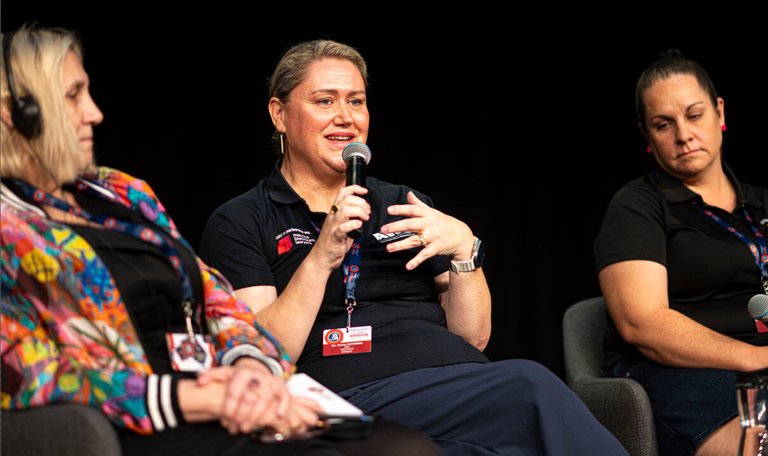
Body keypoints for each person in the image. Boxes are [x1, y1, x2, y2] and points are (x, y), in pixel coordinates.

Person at [0, 26, 441, 456]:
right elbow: (28, 373)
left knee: (405, 446)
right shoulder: (8, 225)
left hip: (220, 392)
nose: (94, 112)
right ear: (15, 112)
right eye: (73, 96)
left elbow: (216, 299)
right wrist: (192, 397)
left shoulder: (121, 192)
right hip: (145, 414)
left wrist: (249, 367)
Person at [198, 38, 629, 456]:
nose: (346, 117)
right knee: (530, 385)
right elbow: (258, 352)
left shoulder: (403, 202)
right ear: (279, 113)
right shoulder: (242, 219)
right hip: (342, 393)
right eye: (325, 101)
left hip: (452, 383)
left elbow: (473, 337)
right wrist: (321, 257)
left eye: (357, 101)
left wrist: (466, 253)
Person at [594, 50, 768, 456]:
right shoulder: (638, 206)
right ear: (647, 135)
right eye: (664, 124)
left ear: (719, 111)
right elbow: (643, 324)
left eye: (694, 115)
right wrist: (759, 359)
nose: (683, 134)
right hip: (694, 373)